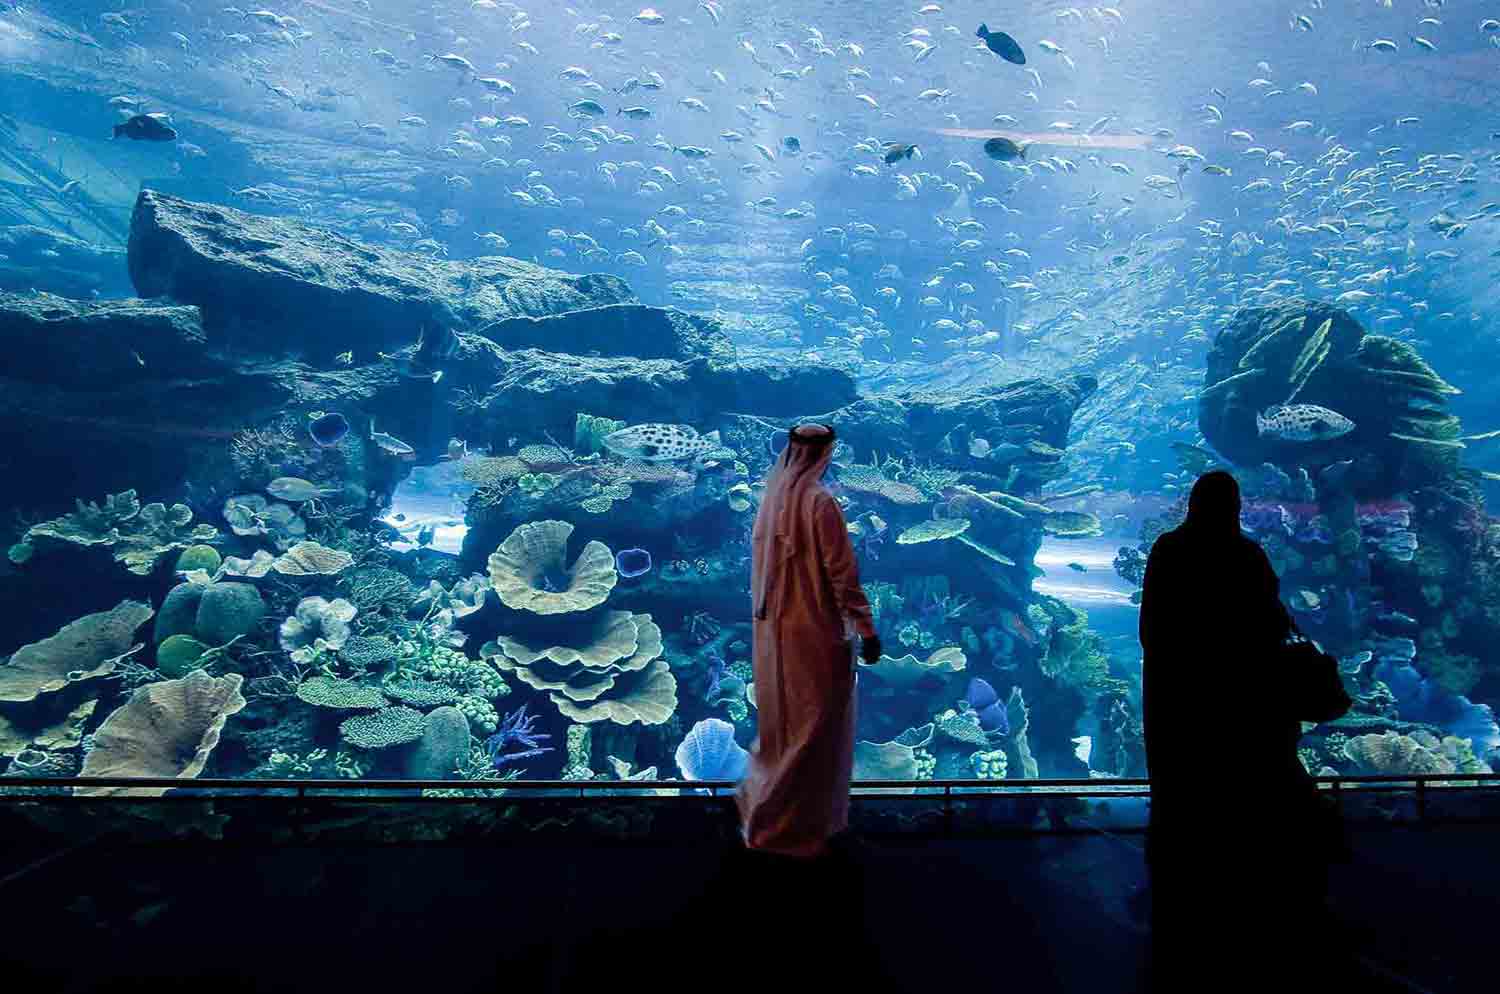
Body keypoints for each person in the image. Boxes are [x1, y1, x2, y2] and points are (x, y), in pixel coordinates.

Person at [1139, 470, 1352, 991]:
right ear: (1234, 507)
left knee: (1183, 796)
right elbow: (1271, 625)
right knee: (1254, 793)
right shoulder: (1248, 555)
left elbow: (1153, 632)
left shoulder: (1170, 549)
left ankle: (1181, 904)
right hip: (1248, 705)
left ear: (1192, 504)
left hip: (1182, 705)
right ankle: (1263, 906)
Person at [736, 422, 881, 859]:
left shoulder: (771, 499)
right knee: (818, 730)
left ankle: (764, 816)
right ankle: (797, 828)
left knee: (782, 727)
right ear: (824, 453)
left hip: (771, 635)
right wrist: (867, 628)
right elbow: (842, 575)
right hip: (814, 633)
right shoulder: (820, 503)